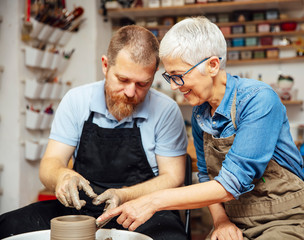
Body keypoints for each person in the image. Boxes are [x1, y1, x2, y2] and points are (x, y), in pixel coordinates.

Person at [97, 17, 304, 240]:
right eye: (170, 77)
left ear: (212, 65)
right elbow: (206, 178)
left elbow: (231, 184)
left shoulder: (258, 100)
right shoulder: (201, 113)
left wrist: (152, 201)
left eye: (179, 76)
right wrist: (221, 221)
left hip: (292, 220)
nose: (175, 86)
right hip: (238, 222)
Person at [0, 25, 189, 240]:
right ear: (105, 66)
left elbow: (173, 177)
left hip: (141, 210)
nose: (130, 92)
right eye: (123, 80)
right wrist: (62, 176)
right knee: (8, 225)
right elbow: (50, 163)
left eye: (142, 84)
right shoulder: (77, 100)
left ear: (153, 76)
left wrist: (124, 195)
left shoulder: (166, 110)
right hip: (81, 208)